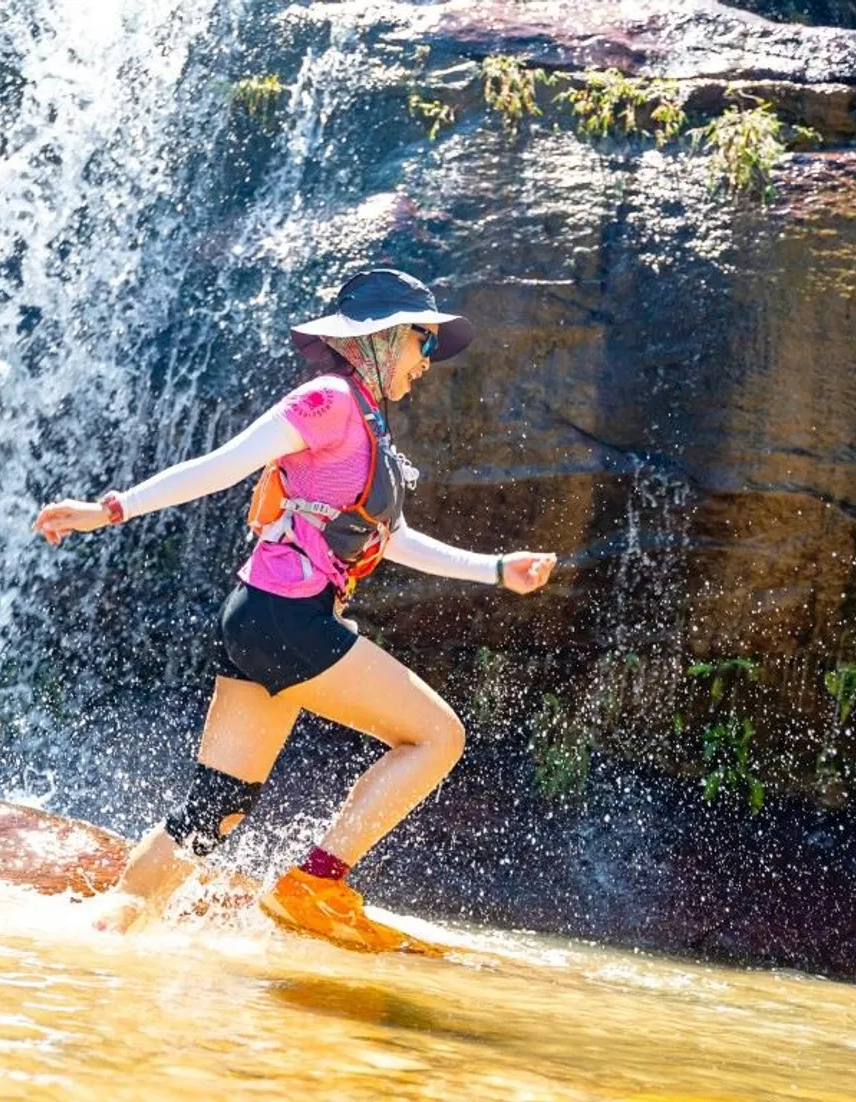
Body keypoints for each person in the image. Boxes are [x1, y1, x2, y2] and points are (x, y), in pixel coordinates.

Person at [32, 269, 558, 952]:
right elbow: (224, 464)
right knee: (437, 737)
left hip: (258, 618)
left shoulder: (364, 423)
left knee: (216, 806)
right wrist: (108, 510)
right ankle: (318, 882)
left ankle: (99, 931)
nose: (427, 363)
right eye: (423, 344)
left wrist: (493, 570)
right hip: (289, 619)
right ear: (385, 337)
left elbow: (388, 540)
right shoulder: (327, 400)